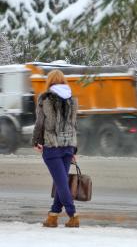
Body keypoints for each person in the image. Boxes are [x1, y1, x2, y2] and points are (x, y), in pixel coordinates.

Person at [32, 70, 79, 228]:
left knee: (61, 183)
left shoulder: (45, 98)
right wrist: (74, 149)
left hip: (52, 146)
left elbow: (40, 123)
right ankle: (53, 215)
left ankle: (73, 215)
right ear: (63, 80)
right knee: (61, 182)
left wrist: (36, 141)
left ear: (50, 81)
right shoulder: (72, 99)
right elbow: (73, 125)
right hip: (68, 146)